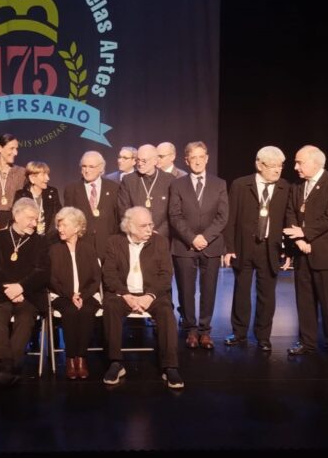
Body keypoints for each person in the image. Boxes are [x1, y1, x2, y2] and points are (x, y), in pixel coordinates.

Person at [102, 207, 183, 388]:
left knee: (166, 310)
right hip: (123, 293)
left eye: (151, 224)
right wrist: (126, 295)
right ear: (129, 227)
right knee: (111, 306)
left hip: (151, 294)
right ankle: (115, 362)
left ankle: (170, 366)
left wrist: (149, 296)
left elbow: (166, 275)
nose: (149, 229)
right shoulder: (114, 242)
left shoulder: (160, 242)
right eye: (143, 226)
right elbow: (109, 275)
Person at [222, 146, 290, 351]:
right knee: (241, 291)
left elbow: (288, 219)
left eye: (280, 166)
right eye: (272, 166)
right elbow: (231, 218)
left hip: (271, 247)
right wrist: (229, 247)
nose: (277, 170)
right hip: (244, 246)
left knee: (267, 294)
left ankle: (263, 336)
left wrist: (288, 250)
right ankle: (239, 332)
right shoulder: (241, 185)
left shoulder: (285, 186)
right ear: (259, 165)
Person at [283, 146, 328, 361]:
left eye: (299, 162)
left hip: (327, 255)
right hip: (303, 255)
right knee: (305, 302)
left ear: (315, 162)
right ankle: (307, 342)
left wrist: (306, 234)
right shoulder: (297, 186)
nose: (295, 167)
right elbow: (290, 212)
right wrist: (299, 240)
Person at [0, 198, 49, 386]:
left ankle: (4, 366)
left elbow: (43, 272)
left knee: (26, 318)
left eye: (36, 220)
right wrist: (8, 289)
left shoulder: (40, 242)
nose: (34, 224)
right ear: (16, 215)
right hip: (1, 293)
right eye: (30, 219)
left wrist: (21, 288)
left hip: (29, 294)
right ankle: (8, 365)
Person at [168, 141, 228, 349]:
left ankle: (205, 331)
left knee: (208, 289)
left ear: (207, 158)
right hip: (185, 246)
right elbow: (174, 216)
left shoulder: (219, 184)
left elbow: (222, 216)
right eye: (193, 157)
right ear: (186, 160)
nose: (197, 161)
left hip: (211, 246)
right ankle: (191, 330)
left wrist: (205, 237)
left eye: (201, 156)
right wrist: (192, 238)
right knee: (186, 290)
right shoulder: (177, 184)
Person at [49, 206, 101, 380]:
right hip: (62, 295)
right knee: (70, 311)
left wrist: (83, 296)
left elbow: (95, 279)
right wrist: (70, 295)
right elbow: (52, 280)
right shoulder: (54, 250)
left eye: (64, 225)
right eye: (59, 225)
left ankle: (82, 357)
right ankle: (71, 358)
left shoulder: (89, 249)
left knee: (86, 311)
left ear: (77, 228)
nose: (60, 229)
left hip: (87, 295)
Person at [63, 150, 120, 261]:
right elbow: (68, 220)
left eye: (91, 167)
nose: (87, 170)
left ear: (101, 168)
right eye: (84, 166)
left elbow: (118, 218)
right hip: (82, 248)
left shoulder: (114, 188)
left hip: (108, 248)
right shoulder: (72, 189)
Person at [118, 144, 175, 238]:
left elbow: (173, 213)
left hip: (162, 238)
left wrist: (159, 233)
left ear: (155, 161)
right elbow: (124, 211)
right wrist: (138, 231)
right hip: (136, 236)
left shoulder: (169, 180)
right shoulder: (128, 180)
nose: (140, 164)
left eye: (144, 161)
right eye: (138, 160)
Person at [14, 161, 61, 242]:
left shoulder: (52, 192)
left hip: (49, 240)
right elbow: (18, 220)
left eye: (47, 174)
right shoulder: (21, 195)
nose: (48, 178)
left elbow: (58, 215)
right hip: (28, 239)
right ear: (32, 178)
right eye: (43, 175)